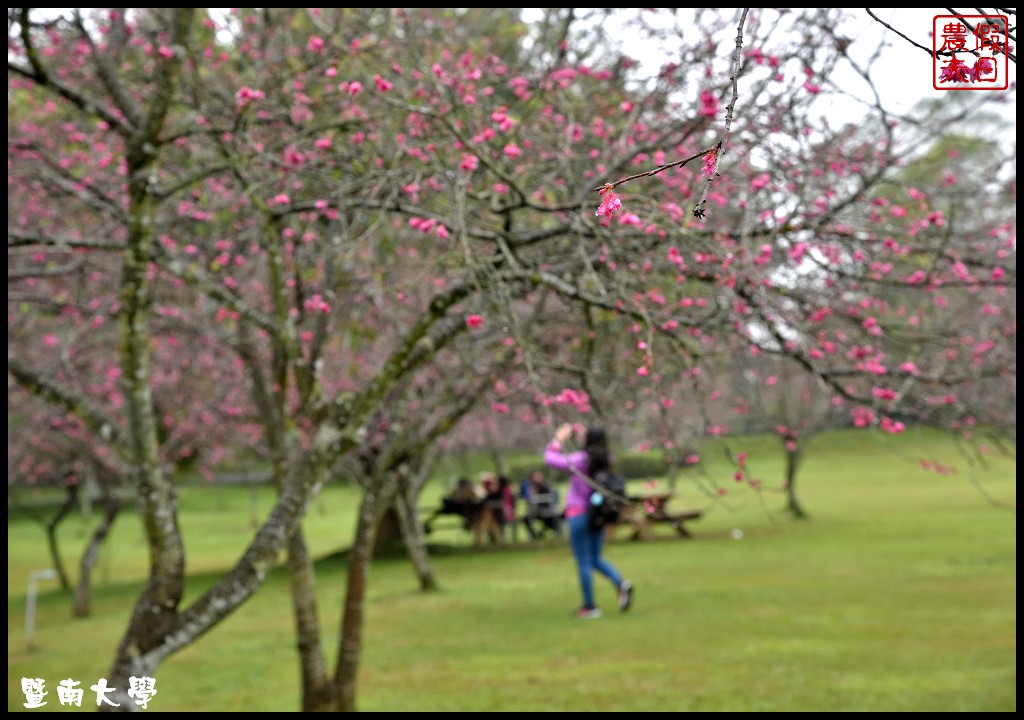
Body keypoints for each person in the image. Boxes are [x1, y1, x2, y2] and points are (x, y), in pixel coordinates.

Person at [544, 422, 633, 618]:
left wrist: (558, 439)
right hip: (598, 513)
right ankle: (620, 584)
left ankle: (589, 606)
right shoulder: (607, 459)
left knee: (583, 561)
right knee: (595, 559)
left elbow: (550, 459)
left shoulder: (581, 460)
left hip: (578, 513)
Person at [520, 469, 561, 539]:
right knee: (525, 519)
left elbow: (552, 498)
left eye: (539, 476)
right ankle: (534, 535)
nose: (537, 478)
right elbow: (525, 497)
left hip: (546, 511)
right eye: (535, 476)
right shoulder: (528, 486)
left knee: (552, 519)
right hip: (534, 511)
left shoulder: (546, 486)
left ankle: (551, 533)